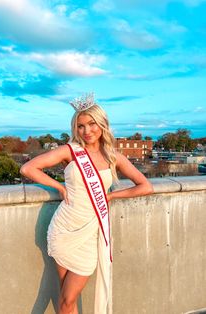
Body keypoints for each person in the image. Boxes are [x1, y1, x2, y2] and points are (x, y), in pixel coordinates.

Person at [20, 94, 153, 314]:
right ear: (75, 129)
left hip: (91, 233)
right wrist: (60, 187)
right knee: (67, 300)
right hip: (64, 228)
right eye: (80, 126)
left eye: (92, 124)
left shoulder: (114, 157)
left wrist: (111, 197)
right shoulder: (70, 151)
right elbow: (27, 169)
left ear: (102, 125)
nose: (86, 131)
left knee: (67, 298)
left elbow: (145, 186)